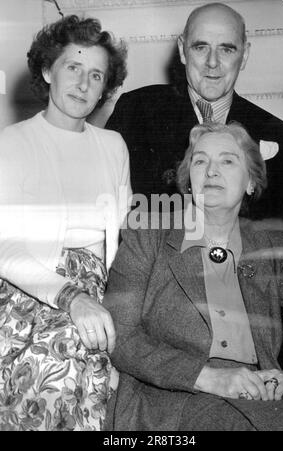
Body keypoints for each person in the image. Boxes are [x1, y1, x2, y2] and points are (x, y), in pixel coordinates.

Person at [103, 122, 283, 431]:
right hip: (173, 398)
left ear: (251, 182)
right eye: (200, 161)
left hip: (262, 396)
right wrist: (209, 378)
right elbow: (121, 337)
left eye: (227, 160)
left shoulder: (272, 242)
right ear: (190, 181)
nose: (211, 171)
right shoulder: (148, 233)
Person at [0, 15, 131, 431]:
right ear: (46, 70)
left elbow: (126, 234)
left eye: (96, 75)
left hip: (100, 286)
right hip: (29, 284)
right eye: (72, 68)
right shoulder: (12, 143)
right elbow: (4, 246)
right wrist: (71, 297)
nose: (83, 83)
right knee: (50, 361)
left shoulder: (113, 146)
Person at [106, 2, 283, 223]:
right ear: (182, 50)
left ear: (244, 55)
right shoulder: (135, 111)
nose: (212, 62)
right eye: (200, 47)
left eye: (226, 49)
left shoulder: (276, 133)